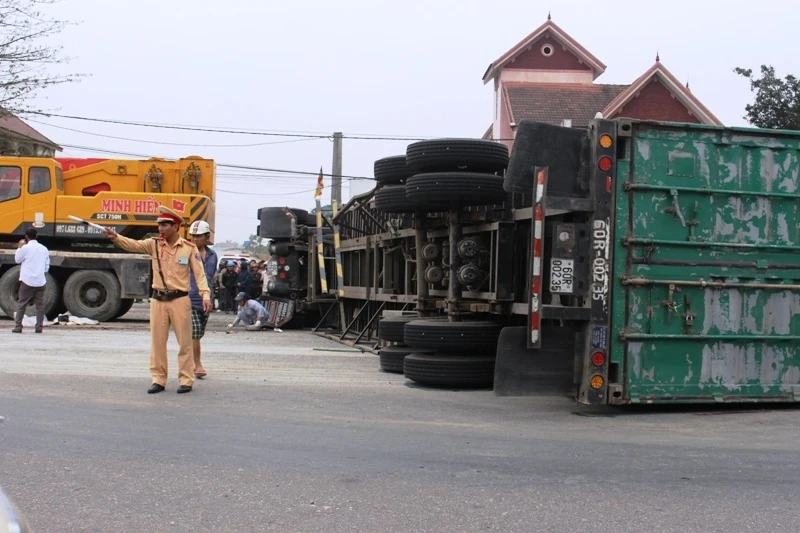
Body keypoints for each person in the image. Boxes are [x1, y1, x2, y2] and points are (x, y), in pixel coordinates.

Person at [102, 206, 211, 394]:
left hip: (180, 300)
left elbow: (200, 274)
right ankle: (158, 379)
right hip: (158, 300)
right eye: (159, 225)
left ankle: (186, 379)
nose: (160, 228)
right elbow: (133, 245)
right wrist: (116, 237)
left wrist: (205, 295)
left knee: (185, 343)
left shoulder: (189, 249)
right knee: (157, 343)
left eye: (165, 225)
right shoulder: (153, 244)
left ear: (175, 226)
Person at [187, 220, 218, 379]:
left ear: (207, 236)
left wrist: (211, 297)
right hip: (189, 298)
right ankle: (197, 365)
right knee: (195, 332)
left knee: (199, 332)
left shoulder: (213, 256)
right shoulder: (186, 252)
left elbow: (211, 278)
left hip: (206, 299)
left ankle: (191, 361)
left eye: (198, 236)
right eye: (192, 236)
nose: (194, 239)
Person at [12, 227, 50, 334]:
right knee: (40, 306)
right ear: (37, 236)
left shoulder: (25, 248)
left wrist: (19, 247)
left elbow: (17, 260)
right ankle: (39, 327)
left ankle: (18, 327)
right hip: (40, 281)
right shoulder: (44, 249)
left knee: (22, 304)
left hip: (27, 280)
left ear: (26, 237)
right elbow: (46, 267)